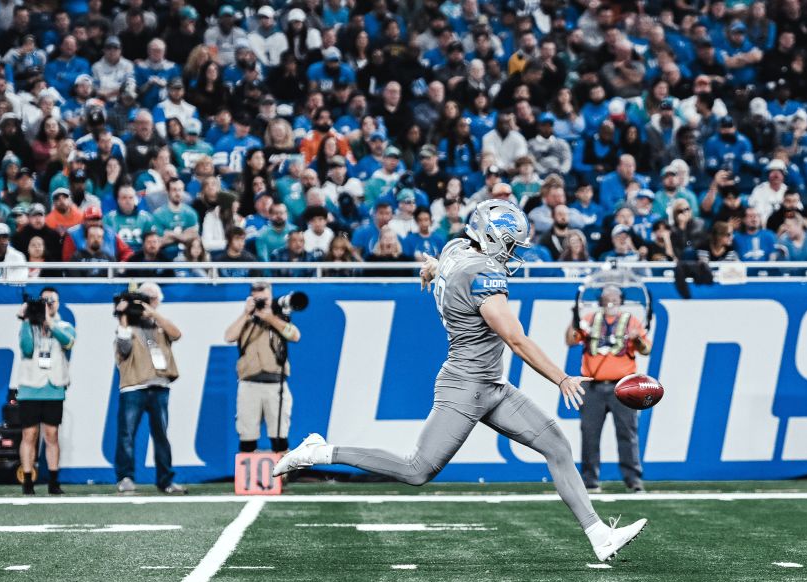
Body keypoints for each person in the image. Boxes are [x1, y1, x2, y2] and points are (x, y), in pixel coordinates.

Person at [273, 200, 648, 562]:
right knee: (416, 469)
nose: (514, 252)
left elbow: (445, 265)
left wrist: (431, 269)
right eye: (512, 244)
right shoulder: (482, 274)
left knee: (557, 446)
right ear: (494, 237)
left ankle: (600, 536)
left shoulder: (455, 248)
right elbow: (515, 339)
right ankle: (320, 452)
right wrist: (561, 377)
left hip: (491, 385)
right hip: (465, 386)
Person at [566, 285, 652, 493]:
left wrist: (636, 338)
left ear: (621, 299)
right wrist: (574, 317)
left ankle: (633, 479)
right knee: (589, 433)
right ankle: (590, 480)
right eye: (606, 296)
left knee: (627, 433)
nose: (610, 299)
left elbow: (646, 349)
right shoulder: (589, 318)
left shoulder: (630, 320)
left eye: (614, 296)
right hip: (593, 385)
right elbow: (570, 340)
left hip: (624, 386)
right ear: (600, 300)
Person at [113, 282, 186, 495]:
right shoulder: (126, 327)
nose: (145, 304)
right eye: (144, 299)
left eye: (151, 299)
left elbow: (177, 334)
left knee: (161, 436)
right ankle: (125, 477)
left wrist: (153, 313)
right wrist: (123, 316)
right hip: (134, 386)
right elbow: (124, 349)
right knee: (127, 434)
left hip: (159, 385)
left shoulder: (160, 325)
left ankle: (166, 480)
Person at [224, 282, 303, 454]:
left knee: (279, 435)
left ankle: (282, 476)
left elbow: (295, 335)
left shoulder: (278, 318)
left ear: (271, 297)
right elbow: (229, 336)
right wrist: (246, 313)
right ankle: (249, 478)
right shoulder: (246, 320)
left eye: (264, 298)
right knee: (247, 434)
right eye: (257, 298)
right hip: (249, 383)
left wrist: (270, 318)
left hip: (276, 384)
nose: (261, 302)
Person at [14, 288, 76, 495]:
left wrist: (49, 322)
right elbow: (27, 348)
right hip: (30, 388)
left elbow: (69, 342)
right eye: (45, 301)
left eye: (53, 300)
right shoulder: (28, 326)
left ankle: (53, 480)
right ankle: (28, 480)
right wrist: (25, 319)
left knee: (52, 435)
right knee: (29, 434)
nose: (49, 304)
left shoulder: (64, 325)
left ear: (58, 303)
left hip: (54, 387)